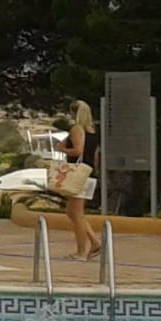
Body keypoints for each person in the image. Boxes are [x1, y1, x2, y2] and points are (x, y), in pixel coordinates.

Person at [56, 98, 101, 261]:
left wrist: (63, 149)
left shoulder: (77, 129)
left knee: (77, 214)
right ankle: (94, 242)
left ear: (74, 113)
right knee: (73, 212)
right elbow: (94, 155)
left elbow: (77, 151)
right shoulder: (92, 131)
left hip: (78, 174)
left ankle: (81, 251)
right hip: (89, 173)